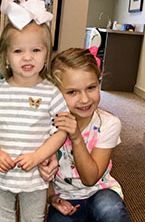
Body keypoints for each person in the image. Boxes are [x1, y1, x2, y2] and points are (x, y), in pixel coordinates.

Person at [0, 0, 68, 222]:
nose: (27, 57)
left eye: (36, 50)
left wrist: (39, 156)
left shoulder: (51, 93)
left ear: (47, 54)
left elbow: (61, 131)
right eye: (18, 51)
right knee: (2, 218)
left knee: (34, 218)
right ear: (6, 57)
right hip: (1, 175)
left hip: (35, 177)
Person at [46, 48, 132, 222]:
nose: (85, 99)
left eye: (91, 88)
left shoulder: (109, 124)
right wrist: (51, 198)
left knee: (111, 211)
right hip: (65, 195)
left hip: (100, 191)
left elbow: (90, 178)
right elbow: (41, 171)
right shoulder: (46, 124)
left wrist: (76, 138)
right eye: (72, 92)